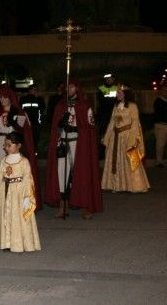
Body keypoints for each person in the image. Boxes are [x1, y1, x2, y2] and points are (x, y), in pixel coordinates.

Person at [45, 80, 102, 219]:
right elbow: (55, 128)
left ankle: (85, 206)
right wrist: (61, 125)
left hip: (78, 144)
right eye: (67, 87)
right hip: (63, 143)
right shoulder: (61, 106)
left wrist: (75, 128)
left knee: (81, 174)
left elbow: (90, 128)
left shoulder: (84, 106)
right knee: (61, 174)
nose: (69, 89)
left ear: (77, 88)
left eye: (72, 87)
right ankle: (63, 205)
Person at [0, 84, 41, 210]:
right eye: (0, 97)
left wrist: (15, 122)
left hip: (13, 147)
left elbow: (25, 131)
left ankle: (13, 204)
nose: (2, 99)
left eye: (5, 97)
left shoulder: (19, 112)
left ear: (10, 97)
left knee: (13, 175)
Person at [0, 132, 41, 253]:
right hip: (6, 191)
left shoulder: (24, 161)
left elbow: (28, 178)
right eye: (5, 145)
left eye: (9, 145)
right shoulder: (4, 160)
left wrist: (27, 197)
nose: (5, 147)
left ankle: (20, 243)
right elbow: (0, 173)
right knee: (6, 215)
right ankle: (6, 242)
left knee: (18, 217)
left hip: (18, 193)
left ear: (18, 145)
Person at [101, 84, 150, 193]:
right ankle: (116, 185)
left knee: (129, 160)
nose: (117, 94)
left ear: (125, 94)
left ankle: (134, 186)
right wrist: (107, 137)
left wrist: (132, 139)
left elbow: (135, 123)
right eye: (117, 92)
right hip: (115, 138)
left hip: (127, 137)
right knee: (115, 162)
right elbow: (111, 123)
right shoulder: (116, 106)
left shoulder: (132, 106)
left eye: (120, 92)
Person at [96, 74, 119, 158]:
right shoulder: (101, 88)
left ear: (113, 79)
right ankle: (102, 153)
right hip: (103, 116)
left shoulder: (117, 88)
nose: (110, 80)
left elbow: (117, 101)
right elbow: (102, 101)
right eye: (108, 79)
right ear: (106, 79)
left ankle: (113, 153)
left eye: (111, 78)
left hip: (114, 115)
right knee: (103, 134)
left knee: (114, 134)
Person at [19, 84, 46, 152]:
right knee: (25, 138)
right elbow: (20, 110)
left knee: (35, 139)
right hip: (25, 123)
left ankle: (34, 152)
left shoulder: (39, 99)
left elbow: (42, 110)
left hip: (35, 123)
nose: (35, 91)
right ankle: (26, 152)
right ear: (29, 90)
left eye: (36, 90)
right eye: (34, 90)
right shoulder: (23, 99)